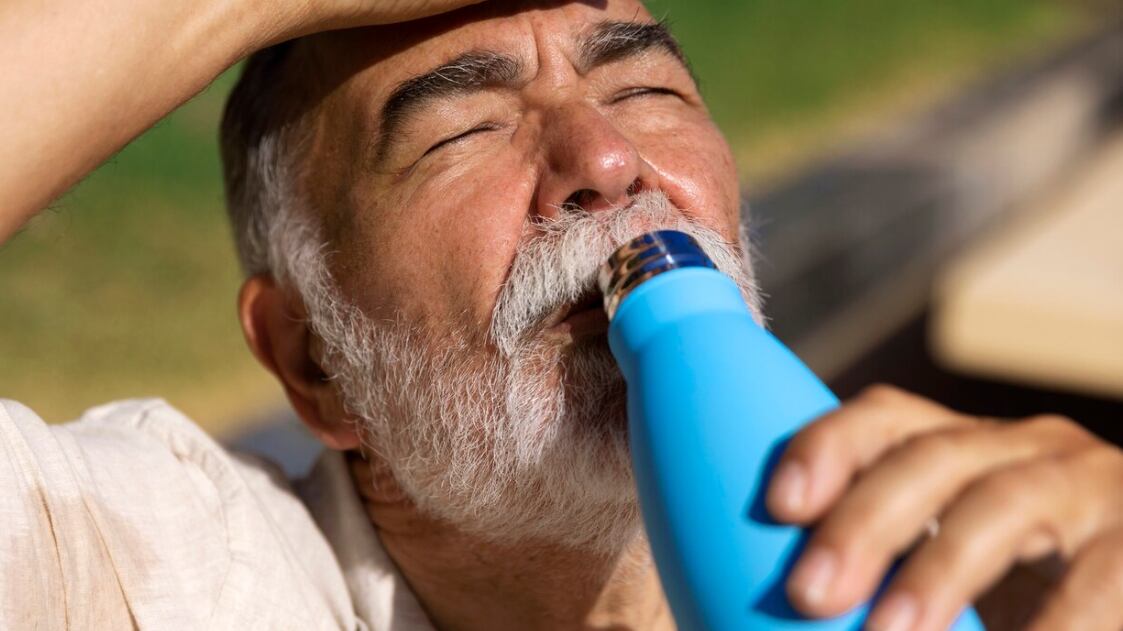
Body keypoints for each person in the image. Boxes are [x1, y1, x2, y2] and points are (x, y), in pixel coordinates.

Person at [2, 0, 1122, 629]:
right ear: (314, 361)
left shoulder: (972, 572)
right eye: (461, 131)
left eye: (645, 90)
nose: (605, 158)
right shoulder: (173, 571)